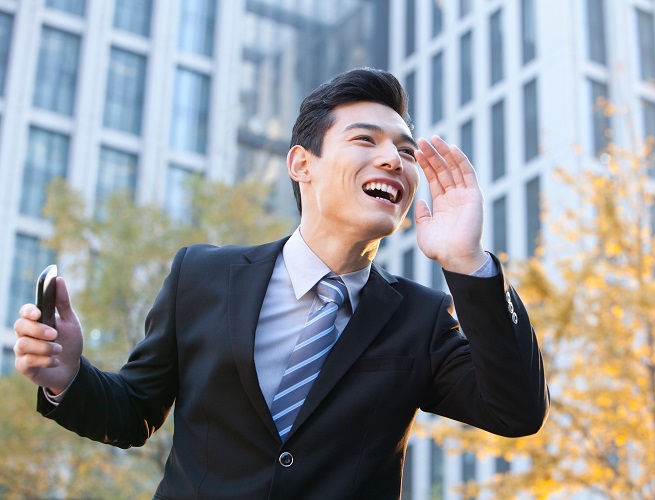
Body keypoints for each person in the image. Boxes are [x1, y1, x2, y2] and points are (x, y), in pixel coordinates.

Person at [14, 68, 549, 499]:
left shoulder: (422, 318)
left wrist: (467, 261)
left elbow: (517, 410)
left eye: (406, 152)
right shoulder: (201, 276)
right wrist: (68, 378)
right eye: (365, 139)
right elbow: (134, 415)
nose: (394, 159)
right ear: (301, 164)